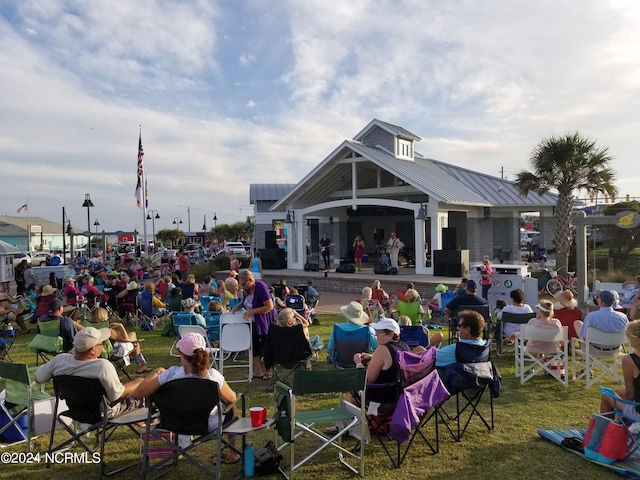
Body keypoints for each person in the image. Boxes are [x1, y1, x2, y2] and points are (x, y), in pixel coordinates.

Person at [133, 332, 240, 464]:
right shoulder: (213, 377)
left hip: (173, 423)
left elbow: (138, 393)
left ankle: (180, 445)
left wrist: (157, 372)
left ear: (183, 356)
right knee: (231, 405)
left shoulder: (170, 374)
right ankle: (233, 454)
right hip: (206, 425)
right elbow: (233, 398)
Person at [35, 326, 146, 419]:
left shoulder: (59, 360)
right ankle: (152, 433)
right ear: (92, 349)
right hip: (103, 414)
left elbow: (38, 378)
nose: (103, 345)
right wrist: (140, 382)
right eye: (102, 343)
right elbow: (117, 396)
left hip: (75, 411)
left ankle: (144, 429)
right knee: (146, 394)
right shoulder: (103, 366)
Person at [232, 270, 277, 380]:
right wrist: (237, 307)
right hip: (252, 322)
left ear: (250, 280)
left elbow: (269, 306)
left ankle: (269, 371)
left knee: (265, 346)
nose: (242, 287)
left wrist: (252, 312)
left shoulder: (260, 287)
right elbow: (246, 301)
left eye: (243, 284)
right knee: (254, 345)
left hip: (264, 321)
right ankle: (257, 371)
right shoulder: (246, 290)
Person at [86, 307, 150, 374]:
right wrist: (121, 326)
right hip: (112, 353)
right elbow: (126, 339)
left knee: (132, 335)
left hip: (97, 353)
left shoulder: (89, 329)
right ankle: (141, 366)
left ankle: (135, 359)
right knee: (134, 340)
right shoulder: (107, 330)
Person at [600, 320, 640, 421]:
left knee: (606, 396)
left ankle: (609, 431)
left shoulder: (630, 360)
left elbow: (630, 394)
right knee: (622, 391)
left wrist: (622, 414)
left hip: (638, 414)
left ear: (637, 340)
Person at [353, 318, 410, 384]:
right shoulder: (405, 346)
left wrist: (358, 363)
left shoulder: (382, 349)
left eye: (379, 332)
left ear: (390, 335)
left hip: (381, 392)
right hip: (399, 391)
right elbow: (392, 361)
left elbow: (368, 379)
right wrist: (373, 356)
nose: (375, 334)